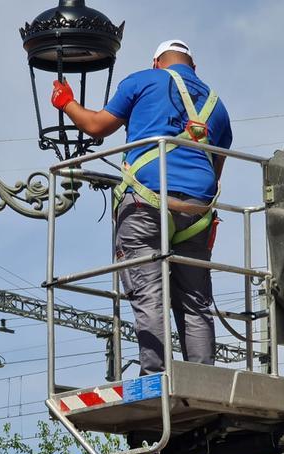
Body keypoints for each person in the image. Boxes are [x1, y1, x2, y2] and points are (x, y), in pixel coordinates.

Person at [50, 40, 233, 374]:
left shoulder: (143, 81)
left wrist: (67, 103)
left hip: (144, 204)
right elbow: (214, 170)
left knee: (148, 294)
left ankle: (155, 378)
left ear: (156, 63)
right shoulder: (217, 106)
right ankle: (205, 378)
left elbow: (96, 126)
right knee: (195, 302)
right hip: (196, 214)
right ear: (194, 68)